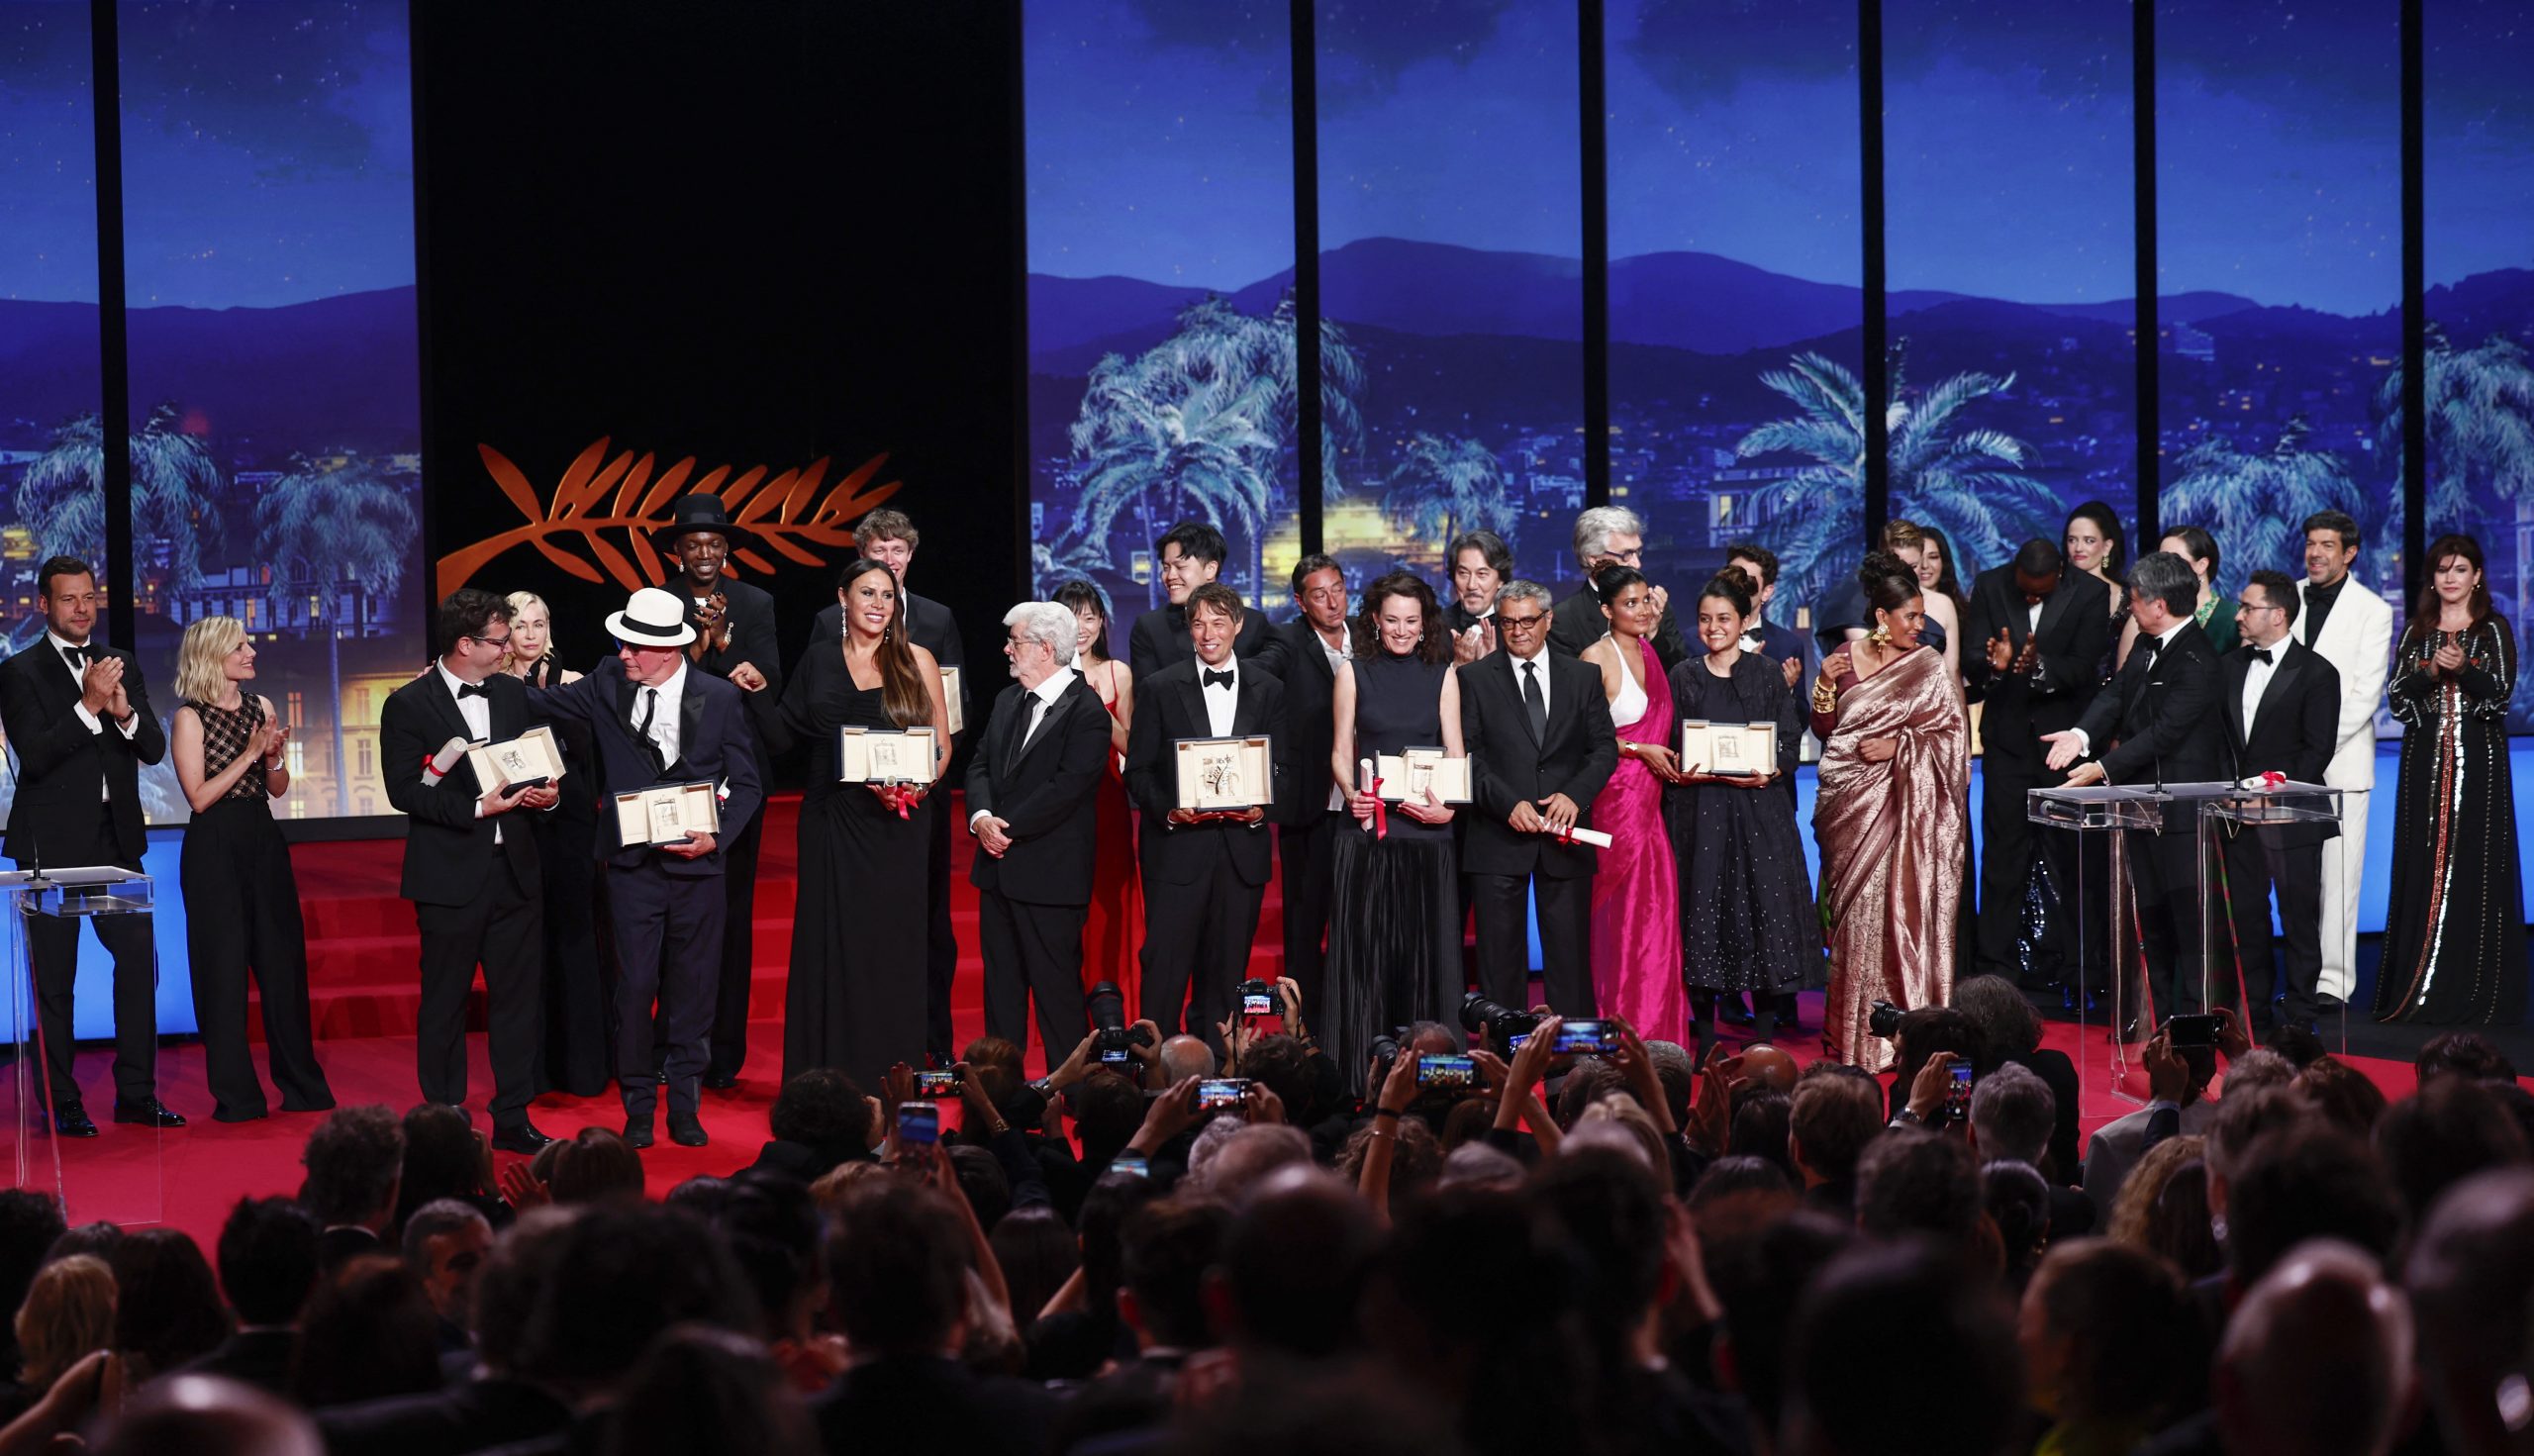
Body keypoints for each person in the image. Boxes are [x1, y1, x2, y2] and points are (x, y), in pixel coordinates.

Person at [526, 585, 766, 1149]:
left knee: (693, 991)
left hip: (698, 871)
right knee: (633, 989)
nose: (624, 654)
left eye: (635, 646)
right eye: (623, 643)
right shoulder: (607, 680)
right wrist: (469, 679)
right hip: (632, 869)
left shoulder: (718, 697)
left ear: (669, 650)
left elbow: (749, 784)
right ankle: (638, 1105)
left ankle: (684, 1104)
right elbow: (538, 703)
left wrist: (716, 840)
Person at [0, 555, 178, 1136]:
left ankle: (136, 1095)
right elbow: (36, 754)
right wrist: (89, 706)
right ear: (44, 605)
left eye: (89, 597)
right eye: (68, 599)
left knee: (138, 963)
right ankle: (62, 1103)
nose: (82, 609)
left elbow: (153, 748)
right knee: (56, 980)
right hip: (49, 848)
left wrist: (123, 712)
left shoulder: (119, 662)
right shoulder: (19, 671)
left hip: (114, 843)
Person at [381, 591, 557, 1153]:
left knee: (517, 1002)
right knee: (445, 1001)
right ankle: (445, 1123)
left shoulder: (513, 692)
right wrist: (478, 809)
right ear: (465, 644)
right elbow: (404, 792)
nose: (510, 649)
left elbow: (538, 762)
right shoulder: (408, 704)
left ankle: (513, 1116)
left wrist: (549, 795)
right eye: (501, 640)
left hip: (516, 873)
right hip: (449, 878)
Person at [769, 560, 949, 1088]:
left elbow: (941, 746)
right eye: (867, 593)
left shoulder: (918, 659)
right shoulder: (818, 659)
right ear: (842, 598)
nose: (878, 604)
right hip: (831, 818)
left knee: (891, 946)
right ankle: (825, 1079)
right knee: (829, 941)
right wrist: (752, 692)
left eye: (887, 596)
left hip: (898, 823)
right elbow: (782, 734)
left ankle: (888, 1074)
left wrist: (916, 787)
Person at [2048, 551, 2231, 1031]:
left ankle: (2195, 1024)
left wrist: (2101, 768)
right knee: (2149, 919)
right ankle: (2153, 1019)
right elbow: (2115, 695)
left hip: (2182, 815)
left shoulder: (2198, 660)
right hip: (2141, 807)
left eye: (2133, 599)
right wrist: (2081, 736)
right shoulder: (2148, 645)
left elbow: (2164, 733)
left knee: (2188, 924)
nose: (2128, 607)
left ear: (2158, 605)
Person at [812, 510, 970, 1065]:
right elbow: (820, 715)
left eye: (897, 550)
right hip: (851, 805)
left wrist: (919, 779)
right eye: (878, 551)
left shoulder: (936, 621)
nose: (888, 560)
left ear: (910, 557)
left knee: (926, 924)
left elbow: (951, 715)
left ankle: (930, 1043)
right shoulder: (826, 629)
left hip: (918, 800)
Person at [168, 617, 333, 1123]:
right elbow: (199, 798)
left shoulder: (262, 706)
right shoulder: (189, 718)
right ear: (212, 655)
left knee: (283, 966)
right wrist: (251, 754)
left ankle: (301, 1086)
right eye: (240, 646)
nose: (251, 652)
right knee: (222, 972)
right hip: (213, 847)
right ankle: (238, 1097)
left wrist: (274, 758)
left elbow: (277, 788)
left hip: (263, 839)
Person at [1810, 552, 1969, 1071]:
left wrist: (1900, 747)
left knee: (1898, 914)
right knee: (1856, 920)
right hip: (1848, 805)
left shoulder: (1927, 666)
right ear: (1882, 617)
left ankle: (1904, 1035)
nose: (1919, 626)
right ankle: (1855, 1035)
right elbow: (1825, 730)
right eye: (1911, 617)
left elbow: (1951, 738)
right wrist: (1825, 686)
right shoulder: (1843, 656)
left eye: (1922, 616)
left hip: (1902, 811)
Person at [1122, 582, 1290, 1045]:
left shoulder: (1269, 689)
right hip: (1176, 852)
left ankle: (1220, 1064)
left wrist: (1261, 808)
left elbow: (1285, 769)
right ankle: (1155, 1068)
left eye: (1218, 622)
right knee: (1164, 972)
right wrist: (1171, 812)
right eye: (1198, 624)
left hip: (1241, 854)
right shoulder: (1160, 687)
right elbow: (1137, 771)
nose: (1208, 633)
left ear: (1238, 625)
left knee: (1226, 975)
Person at [655, 493, 784, 1091]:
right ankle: (667, 1046)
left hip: (737, 777)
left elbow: (769, 677)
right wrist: (700, 650)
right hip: (673, 773)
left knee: (732, 917)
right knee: (672, 919)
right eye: (693, 544)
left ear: (726, 549)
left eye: (713, 544)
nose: (704, 553)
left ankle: (723, 1054)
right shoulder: (656, 603)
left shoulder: (755, 602)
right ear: (677, 551)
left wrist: (728, 648)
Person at [2375, 534, 2525, 1025]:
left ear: (2477, 575)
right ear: (2432, 578)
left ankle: (2473, 990)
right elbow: (2398, 699)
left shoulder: (2493, 629)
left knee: (2476, 868)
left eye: (2460, 569)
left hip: (2480, 765)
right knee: (2421, 861)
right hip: (2422, 764)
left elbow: (2500, 698)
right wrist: (2429, 671)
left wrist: (2467, 670)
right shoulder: (2417, 632)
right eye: (2443, 570)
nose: (2451, 578)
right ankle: (2417, 988)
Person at [1324, 572, 1465, 1083]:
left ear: (1425, 624)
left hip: (1428, 835)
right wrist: (1352, 792)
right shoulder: (1352, 672)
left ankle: (1435, 1076)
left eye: (1411, 621)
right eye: (1392, 621)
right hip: (1368, 833)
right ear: (1375, 621)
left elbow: (1455, 751)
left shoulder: (1444, 674)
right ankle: (1359, 1078)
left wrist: (1450, 808)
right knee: (1364, 963)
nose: (1402, 631)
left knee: (1429, 961)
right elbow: (1341, 750)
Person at [1457, 579, 1616, 1020]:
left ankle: (1576, 1051)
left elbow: (1604, 749)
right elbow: (1468, 756)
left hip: (1565, 833)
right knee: (1499, 961)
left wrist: (1575, 796)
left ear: (1548, 619)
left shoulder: (1582, 676)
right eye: (1508, 622)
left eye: (1528, 621)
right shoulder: (1473, 678)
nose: (1518, 631)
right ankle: (1505, 1048)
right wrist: (1507, 804)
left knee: (1569, 958)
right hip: (1497, 833)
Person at [1668, 573, 1812, 1050]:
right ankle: (1707, 1043)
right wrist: (1684, 767)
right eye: (1705, 619)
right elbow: (1672, 743)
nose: (1713, 628)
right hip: (1701, 813)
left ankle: (1764, 1039)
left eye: (1724, 618)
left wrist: (1770, 771)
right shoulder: (1684, 675)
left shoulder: (1767, 673)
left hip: (1760, 813)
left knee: (1762, 915)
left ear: (1744, 621)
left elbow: (1788, 742)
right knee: (1704, 917)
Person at [1960, 539, 2112, 994]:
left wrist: (2038, 666)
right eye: (2024, 589)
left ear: (2060, 574)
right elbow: (1972, 658)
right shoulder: (1990, 585)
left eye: (2038, 592)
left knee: (2075, 859)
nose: (2029, 597)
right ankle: (1996, 971)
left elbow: (2085, 666)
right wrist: (1996, 666)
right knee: (2002, 857)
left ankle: (2082, 971)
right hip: (2007, 743)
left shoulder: (2090, 593)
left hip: (2063, 744)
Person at [967, 601, 1112, 1060]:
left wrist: (1004, 827)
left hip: (1051, 877)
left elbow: (1067, 787)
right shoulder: (1007, 700)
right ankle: (1000, 1087)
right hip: (997, 872)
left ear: (1045, 648)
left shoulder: (1087, 710)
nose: (1006, 649)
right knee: (1001, 995)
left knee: (1057, 997)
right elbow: (980, 765)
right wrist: (981, 818)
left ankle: (1070, 1089)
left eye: (1015, 641)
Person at [2217, 570, 2340, 1034]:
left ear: (2279, 615)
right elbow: (2220, 742)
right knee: (2247, 918)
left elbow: (2317, 750)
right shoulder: (2228, 666)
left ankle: (2302, 1014)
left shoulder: (2317, 673)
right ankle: (2253, 1011)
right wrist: (2234, 797)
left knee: (2298, 918)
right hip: (2237, 817)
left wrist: (2270, 794)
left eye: (2248, 607)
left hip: (2292, 815)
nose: (2239, 615)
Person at [498, 592, 608, 1099]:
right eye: (520, 625)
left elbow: (586, 753)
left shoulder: (575, 681)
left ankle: (582, 1066)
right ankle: (533, 1070)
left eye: (538, 623)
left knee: (574, 935)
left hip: (571, 820)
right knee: (527, 942)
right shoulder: (492, 687)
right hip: (516, 820)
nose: (530, 634)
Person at [1579, 565, 1685, 1043]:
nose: (1642, 610)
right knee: (1619, 921)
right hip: (1614, 804)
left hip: (1652, 805)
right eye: (1630, 603)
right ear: (1607, 609)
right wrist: (1642, 750)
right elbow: (1585, 739)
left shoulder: (1649, 650)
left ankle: (1656, 1031)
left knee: (1655, 919)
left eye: (1645, 600)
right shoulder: (1595, 657)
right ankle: (1616, 1031)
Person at [1254, 554, 1349, 1016]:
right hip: (1310, 804)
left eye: (1338, 589)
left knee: (1358, 919)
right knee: (1305, 921)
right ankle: (1304, 1023)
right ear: (1300, 601)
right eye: (1319, 594)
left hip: (1366, 803)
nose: (1332, 602)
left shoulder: (1370, 636)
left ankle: (1354, 1014)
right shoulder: (1287, 641)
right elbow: (1259, 672)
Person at [1055, 580, 1141, 1000]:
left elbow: (1132, 746)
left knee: (1108, 906)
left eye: (1089, 617)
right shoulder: (1044, 673)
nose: (1081, 627)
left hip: (1107, 802)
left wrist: (1095, 711)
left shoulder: (1117, 672)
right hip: (1058, 808)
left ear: (1102, 622)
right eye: (1072, 617)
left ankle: (1110, 1001)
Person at [1123, 519, 1271, 676]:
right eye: (1166, 568)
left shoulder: (1253, 624)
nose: (1170, 576)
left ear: (1210, 569)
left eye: (1180, 567)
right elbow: (1146, 690)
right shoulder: (1150, 628)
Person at [1547, 507, 1691, 669]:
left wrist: (1653, 633)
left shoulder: (1655, 606)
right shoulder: (1564, 620)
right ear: (1593, 558)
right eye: (1626, 554)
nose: (1637, 564)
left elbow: (1680, 674)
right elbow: (1572, 682)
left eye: (1638, 552)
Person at [2116, 524, 2236, 668]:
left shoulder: (2232, 618)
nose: (2164, 567)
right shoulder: (2143, 615)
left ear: (2202, 565)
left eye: (2175, 559)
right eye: (2160, 559)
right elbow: (2124, 676)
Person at [1722, 540, 1807, 691]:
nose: (1737, 586)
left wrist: (1784, 691)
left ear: (1766, 592)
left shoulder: (1788, 646)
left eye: (1747, 581)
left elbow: (1800, 705)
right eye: (1731, 578)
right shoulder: (1696, 641)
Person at [1444, 529, 1512, 662]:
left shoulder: (1516, 628)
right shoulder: (1435, 625)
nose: (1471, 585)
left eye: (1481, 574)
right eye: (1463, 573)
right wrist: (1457, 666)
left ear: (1500, 580)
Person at [2062, 500, 2130, 628]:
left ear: (2107, 546)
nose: (2078, 548)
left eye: (2089, 541)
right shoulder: (2055, 592)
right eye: (2072, 540)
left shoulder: (2128, 600)